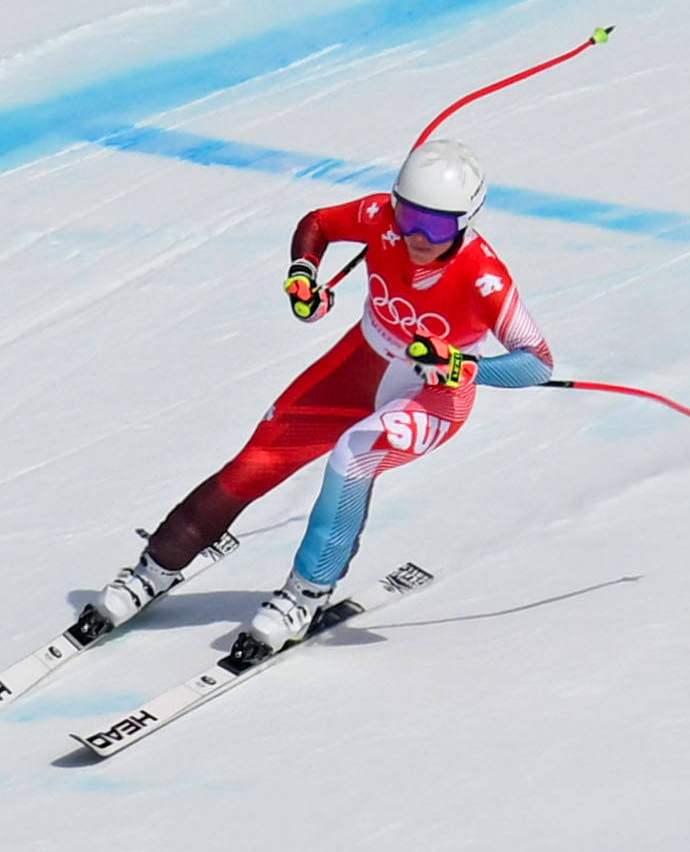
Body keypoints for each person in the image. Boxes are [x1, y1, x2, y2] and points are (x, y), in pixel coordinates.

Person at [80, 138, 554, 656]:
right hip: (359, 364)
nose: (417, 235)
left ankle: (305, 593)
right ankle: (153, 570)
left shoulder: (484, 278)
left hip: (431, 396)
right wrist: (304, 275)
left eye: (437, 226)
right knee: (253, 464)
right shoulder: (378, 217)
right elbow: (319, 225)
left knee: (355, 454)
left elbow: (536, 361)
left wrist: (464, 365)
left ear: (465, 222)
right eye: (409, 216)